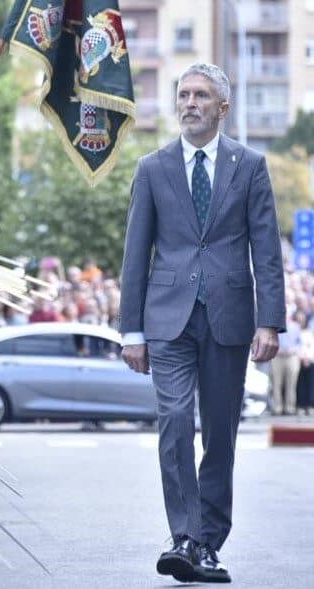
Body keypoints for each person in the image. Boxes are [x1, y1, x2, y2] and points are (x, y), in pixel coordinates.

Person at [119, 63, 285, 584]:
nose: (190, 103)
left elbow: (266, 248)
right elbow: (135, 253)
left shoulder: (250, 165)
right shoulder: (152, 168)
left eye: (201, 96)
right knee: (173, 421)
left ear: (222, 108)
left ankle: (208, 542)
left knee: (219, 433)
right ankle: (185, 537)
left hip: (229, 318)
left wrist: (270, 322)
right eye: (184, 94)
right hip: (167, 320)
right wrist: (131, 330)